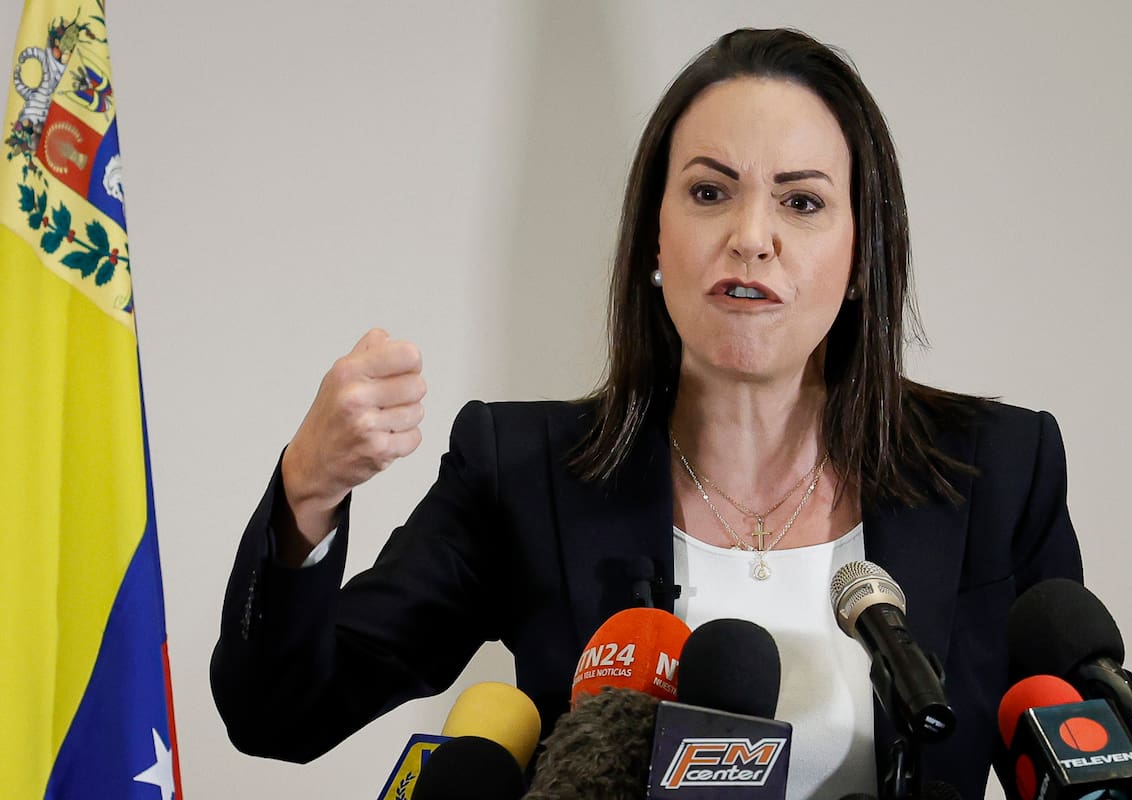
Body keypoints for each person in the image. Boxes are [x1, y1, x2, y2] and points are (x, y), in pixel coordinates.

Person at [211, 28, 1082, 799]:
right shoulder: (525, 471)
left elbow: (1076, 756)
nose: (751, 235)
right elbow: (282, 716)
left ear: (862, 254)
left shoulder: (997, 473)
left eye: (802, 201)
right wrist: (308, 492)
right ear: (654, 240)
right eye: (710, 192)